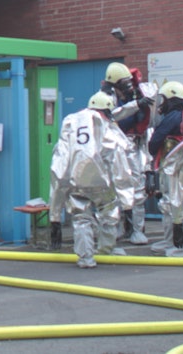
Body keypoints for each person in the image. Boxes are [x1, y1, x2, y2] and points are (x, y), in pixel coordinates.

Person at [48, 92, 133, 268]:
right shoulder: (106, 125)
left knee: (81, 218)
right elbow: (119, 163)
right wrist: (128, 203)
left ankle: (86, 258)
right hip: (101, 181)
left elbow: (60, 165)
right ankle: (105, 251)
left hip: (76, 179)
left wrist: (54, 216)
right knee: (109, 212)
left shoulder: (70, 121)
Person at [99, 62, 154, 244]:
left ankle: (136, 230)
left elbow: (145, 131)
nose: (128, 86)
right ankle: (113, 230)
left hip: (134, 146)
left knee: (137, 191)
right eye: (124, 82)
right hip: (115, 150)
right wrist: (135, 105)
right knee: (113, 192)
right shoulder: (104, 98)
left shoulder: (135, 96)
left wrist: (149, 166)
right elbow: (111, 116)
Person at [148, 81, 183, 256]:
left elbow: (156, 139)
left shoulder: (174, 117)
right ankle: (172, 242)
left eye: (163, 99)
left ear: (171, 99)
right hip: (179, 167)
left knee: (181, 206)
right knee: (169, 205)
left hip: (177, 168)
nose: (161, 104)